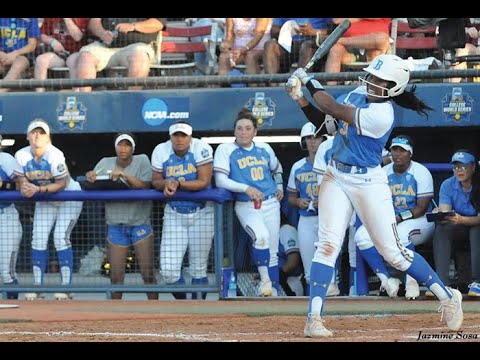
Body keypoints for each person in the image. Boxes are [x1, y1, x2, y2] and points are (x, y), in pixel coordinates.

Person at [285, 53, 463, 337]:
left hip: (368, 181)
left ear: (393, 87)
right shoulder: (358, 93)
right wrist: (300, 97)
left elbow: (331, 105)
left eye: (381, 80)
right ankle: (314, 319)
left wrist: (308, 80)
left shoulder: (382, 115)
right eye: (372, 75)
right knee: (327, 245)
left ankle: (447, 296)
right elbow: (326, 119)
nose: (372, 82)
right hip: (336, 174)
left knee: (394, 253)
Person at [354, 135, 435, 300]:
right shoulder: (382, 172)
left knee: (402, 233)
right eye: (394, 149)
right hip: (390, 219)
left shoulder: (420, 171)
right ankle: (387, 280)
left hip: (419, 220)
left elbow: (421, 208)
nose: (397, 154)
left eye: (402, 150)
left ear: (410, 153)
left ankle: (411, 281)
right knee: (361, 236)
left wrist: (398, 218)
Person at [214, 108, 284, 297]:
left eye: (247, 128)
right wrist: (246, 188)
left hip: (270, 203)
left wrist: (280, 187)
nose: (243, 132)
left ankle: (273, 290)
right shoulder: (225, 149)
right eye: (239, 128)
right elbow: (220, 180)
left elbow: (277, 169)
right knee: (260, 237)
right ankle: (265, 282)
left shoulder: (264, 148)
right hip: (247, 205)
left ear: (255, 131)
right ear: (234, 131)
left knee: (273, 251)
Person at [14, 119, 83, 300]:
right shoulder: (21, 155)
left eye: (41, 133)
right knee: (38, 238)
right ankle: (38, 287)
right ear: (28, 136)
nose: (37, 136)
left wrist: (38, 189)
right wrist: (25, 187)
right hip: (45, 197)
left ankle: (66, 288)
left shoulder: (55, 154)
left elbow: (61, 183)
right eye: (34, 132)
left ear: (48, 137)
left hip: (68, 196)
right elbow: (21, 180)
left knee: (60, 237)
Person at [85, 132, 157, 300]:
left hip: (139, 223)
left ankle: (156, 314)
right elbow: (91, 182)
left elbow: (146, 185)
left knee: (148, 275)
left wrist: (124, 175)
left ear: (133, 148)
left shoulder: (142, 160)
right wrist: (91, 176)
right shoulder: (105, 162)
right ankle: (115, 319)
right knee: (116, 278)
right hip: (116, 224)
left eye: (127, 145)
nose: (123, 148)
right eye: (120, 144)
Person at [151, 121, 214, 300]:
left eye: (183, 135)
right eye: (176, 135)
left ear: (190, 137)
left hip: (202, 212)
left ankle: (198, 310)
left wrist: (178, 183)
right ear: (170, 137)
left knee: (198, 268)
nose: (179, 139)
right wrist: (166, 182)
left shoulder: (201, 148)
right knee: (168, 271)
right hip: (174, 212)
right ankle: (184, 304)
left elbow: (203, 182)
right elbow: (155, 180)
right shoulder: (161, 150)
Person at [287, 122, 340, 296]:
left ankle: (334, 295)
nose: (312, 141)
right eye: (308, 138)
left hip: (328, 217)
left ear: (324, 139)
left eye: (316, 137)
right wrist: (299, 201)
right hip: (307, 219)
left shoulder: (333, 162)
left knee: (329, 258)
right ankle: (314, 301)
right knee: (309, 265)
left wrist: (326, 200)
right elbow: (291, 198)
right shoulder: (297, 166)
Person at [432, 149, 480, 297]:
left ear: (473, 167)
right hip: (459, 227)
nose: (459, 170)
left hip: (476, 225)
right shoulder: (448, 184)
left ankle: (477, 282)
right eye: (456, 167)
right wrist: (440, 214)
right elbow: (446, 212)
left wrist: (462, 220)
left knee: (477, 230)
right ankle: (441, 283)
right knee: (443, 228)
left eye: (463, 166)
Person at [75, 18, 166, 92]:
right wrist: (102, 33)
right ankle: (85, 100)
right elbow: (93, 23)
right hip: (105, 46)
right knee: (86, 56)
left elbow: (158, 23)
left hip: (136, 46)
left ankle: (131, 99)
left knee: (140, 57)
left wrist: (133, 26)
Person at [324, 18, 391, 85]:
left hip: (375, 49)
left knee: (382, 38)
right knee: (335, 49)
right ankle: (330, 89)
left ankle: (336, 40)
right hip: (348, 50)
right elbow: (337, 20)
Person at [34, 18, 89, 92]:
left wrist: (67, 19)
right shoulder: (51, 19)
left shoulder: (80, 19)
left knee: (73, 61)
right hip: (59, 54)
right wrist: (52, 41)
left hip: (76, 51)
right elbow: (40, 34)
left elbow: (78, 37)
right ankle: (39, 96)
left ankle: (76, 95)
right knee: (41, 60)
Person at [263, 18, 332, 76]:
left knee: (307, 46)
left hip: (313, 42)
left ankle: (300, 83)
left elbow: (332, 29)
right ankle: (272, 84)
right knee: (270, 45)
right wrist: (288, 28)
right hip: (288, 43)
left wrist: (314, 32)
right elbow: (274, 29)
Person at [0, 134, 22, 299]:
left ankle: (17, 315)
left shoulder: (5, 158)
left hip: (6, 216)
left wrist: (4, 184)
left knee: (6, 271)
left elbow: (21, 184)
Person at [0, 18, 40, 92]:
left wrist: (15, 53)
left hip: (23, 56)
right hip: (2, 55)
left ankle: (2, 91)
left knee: (19, 64)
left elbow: (32, 45)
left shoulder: (31, 20)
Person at [278, 213, 305, 296]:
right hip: (273, 280)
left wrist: (277, 275)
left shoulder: (286, 229)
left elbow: (293, 261)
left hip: (290, 280)